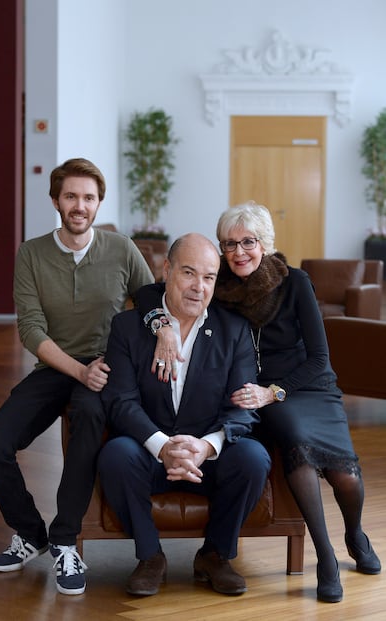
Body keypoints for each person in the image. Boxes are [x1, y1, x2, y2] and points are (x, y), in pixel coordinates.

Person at [139, 202, 381, 604]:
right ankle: (325, 558)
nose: (238, 252)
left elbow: (320, 358)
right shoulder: (219, 286)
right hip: (259, 394)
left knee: (346, 479)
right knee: (298, 453)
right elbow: (150, 291)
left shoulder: (296, 282)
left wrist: (274, 392)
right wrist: (161, 325)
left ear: (264, 244)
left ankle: (354, 534)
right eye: (229, 244)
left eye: (248, 242)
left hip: (308, 386)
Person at [0, 158, 154, 595]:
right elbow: (31, 328)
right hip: (56, 366)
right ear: (55, 200)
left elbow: (150, 300)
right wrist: (78, 369)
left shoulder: (121, 248)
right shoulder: (32, 253)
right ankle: (30, 533)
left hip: (106, 368)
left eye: (88, 198)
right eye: (71, 196)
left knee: (89, 419)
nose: (80, 205)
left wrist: (163, 331)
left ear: (98, 204)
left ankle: (63, 539)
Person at [98, 233, 271, 597]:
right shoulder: (128, 328)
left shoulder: (234, 330)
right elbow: (120, 401)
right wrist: (162, 446)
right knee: (115, 455)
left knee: (253, 458)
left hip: (205, 457)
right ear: (166, 270)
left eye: (208, 278)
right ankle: (150, 557)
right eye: (188, 273)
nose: (198, 287)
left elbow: (243, 409)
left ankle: (215, 555)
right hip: (150, 451)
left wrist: (205, 446)